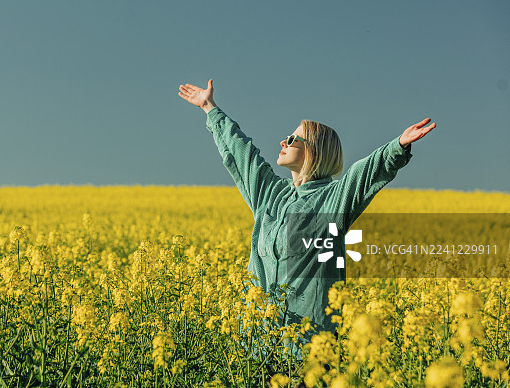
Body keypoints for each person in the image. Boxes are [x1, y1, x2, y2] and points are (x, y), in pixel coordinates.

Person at [178, 79, 436, 360]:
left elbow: (365, 173)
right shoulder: (270, 194)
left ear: (314, 150)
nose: (283, 142)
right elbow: (242, 155)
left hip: (308, 351)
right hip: (256, 351)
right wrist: (210, 108)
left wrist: (398, 146)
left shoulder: (333, 200)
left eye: (292, 139)